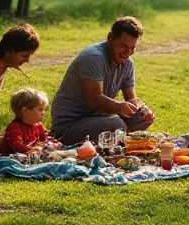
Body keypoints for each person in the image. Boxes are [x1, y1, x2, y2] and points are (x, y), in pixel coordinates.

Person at [51, 16, 155, 144]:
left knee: (142, 118)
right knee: (116, 124)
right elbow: (95, 100)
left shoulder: (128, 63)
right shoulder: (93, 57)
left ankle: (115, 139)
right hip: (71, 124)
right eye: (124, 46)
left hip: (99, 117)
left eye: (132, 48)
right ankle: (115, 139)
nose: (128, 52)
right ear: (110, 38)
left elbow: (131, 99)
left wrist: (143, 110)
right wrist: (119, 107)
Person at [0, 88, 60, 156]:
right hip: (15, 158)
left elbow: (45, 138)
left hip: (34, 155)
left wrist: (55, 143)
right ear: (25, 111)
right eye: (40, 110)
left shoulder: (38, 126)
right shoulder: (14, 128)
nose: (43, 113)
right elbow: (16, 147)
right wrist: (34, 149)